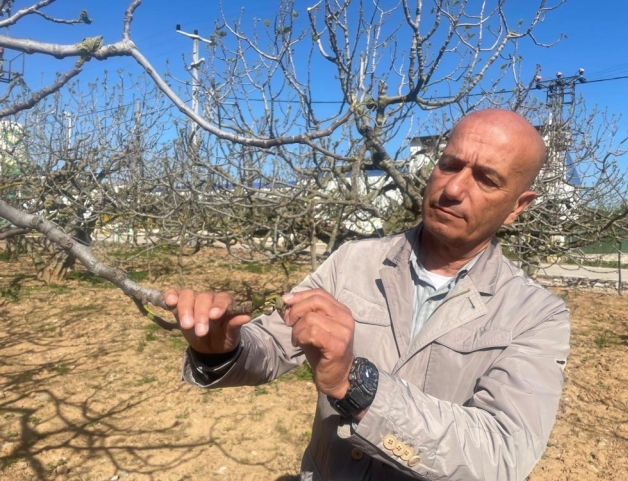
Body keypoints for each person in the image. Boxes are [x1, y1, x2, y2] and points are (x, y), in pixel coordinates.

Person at [164, 109, 570, 481]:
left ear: (518, 207)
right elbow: (272, 342)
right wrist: (224, 350)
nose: (453, 188)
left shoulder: (535, 315)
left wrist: (357, 386)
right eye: (449, 165)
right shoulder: (353, 261)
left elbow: (501, 454)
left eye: (486, 179)